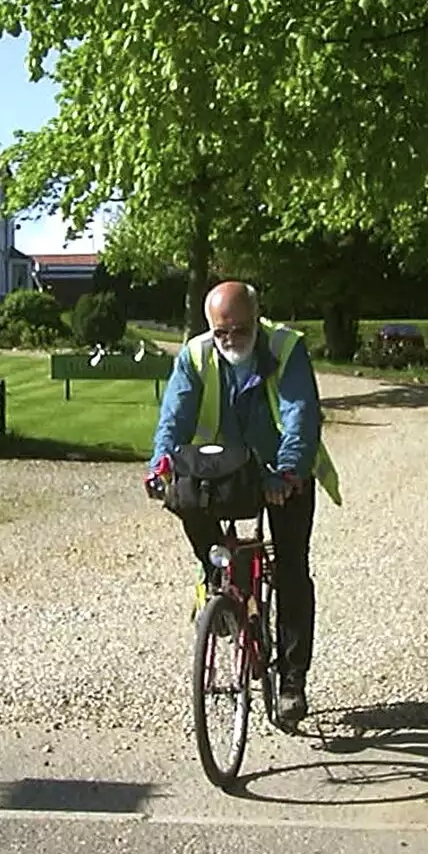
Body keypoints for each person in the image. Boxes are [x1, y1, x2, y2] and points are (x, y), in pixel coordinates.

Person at [145, 281, 342, 726]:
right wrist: (160, 467)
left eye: (239, 329)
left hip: (281, 469)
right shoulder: (195, 356)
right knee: (184, 499)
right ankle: (219, 587)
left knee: (291, 569)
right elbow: (173, 420)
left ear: (256, 318)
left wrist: (288, 473)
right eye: (221, 332)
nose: (230, 339)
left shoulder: (285, 347)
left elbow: (300, 416)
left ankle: (292, 680)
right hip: (225, 469)